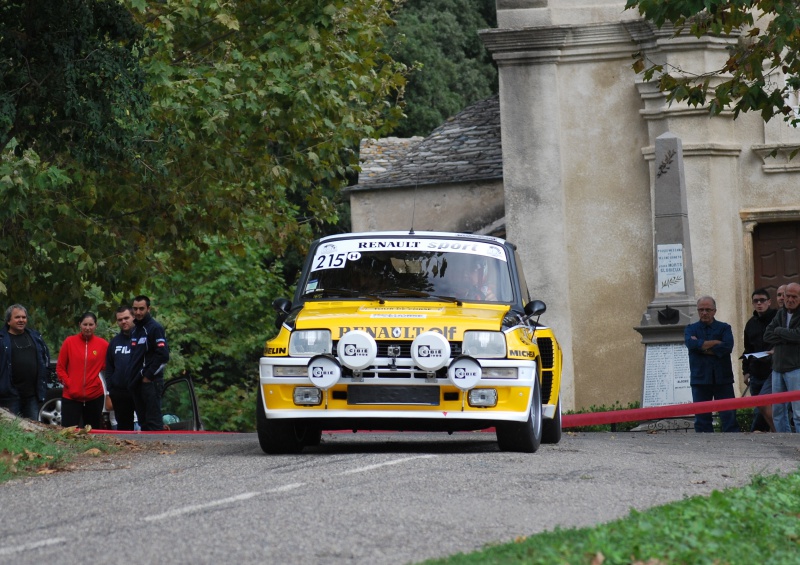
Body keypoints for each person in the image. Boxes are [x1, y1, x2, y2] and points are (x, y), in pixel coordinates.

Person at [684, 296, 739, 433]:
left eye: (707, 309)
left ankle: (734, 447)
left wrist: (702, 347)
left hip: (723, 378)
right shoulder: (691, 329)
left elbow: (727, 347)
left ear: (714, 311)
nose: (704, 313)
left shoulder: (724, 328)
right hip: (700, 378)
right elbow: (691, 344)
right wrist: (716, 343)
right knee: (702, 420)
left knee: (729, 417)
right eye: (701, 310)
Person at [55, 312, 109, 429]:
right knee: (69, 431)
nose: (88, 328)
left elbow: (109, 366)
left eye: (91, 324)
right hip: (71, 396)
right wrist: (69, 383)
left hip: (94, 396)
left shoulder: (103, 345)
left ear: (96, 325)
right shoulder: (69, 342)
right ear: (80, 325)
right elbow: (60, 368)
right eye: (85, 324)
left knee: (93, 431)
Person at [0, 304, 51, 419]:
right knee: (12, 430)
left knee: (32, 430)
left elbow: (45, 358)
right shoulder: (2, 340)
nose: (21, 320)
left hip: (31, 395)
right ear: (8, 321)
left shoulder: (35, 336)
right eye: (17, 317)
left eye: (24, 317)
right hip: (9, 395)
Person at [763, 282, 800, 433]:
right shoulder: (780, 313)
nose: (790, 299)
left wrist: (778, 331)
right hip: (777, 368)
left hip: (795, 368)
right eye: (787, 296)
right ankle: (785, 440)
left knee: (798, 412)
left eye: (794, 296)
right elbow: (767, 335)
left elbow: (798, 335)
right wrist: (786, 335)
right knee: (778, 410)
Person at [129, 295, 170, 431]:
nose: (138, 312)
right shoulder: (135, 329)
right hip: (136, 383)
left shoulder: (155, 328)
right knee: (143, 422)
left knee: (153, 422)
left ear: (148, 309)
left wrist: (148, 376)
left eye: (141, 309)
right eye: (135, 309)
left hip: (151, 382)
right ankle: (146, 451)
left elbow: (163, 355)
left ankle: (159, 452)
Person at [741, 288, 777, 432]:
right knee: (759, 406)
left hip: (773, 369)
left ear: (769, 302)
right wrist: (746, 371)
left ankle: (759, 432)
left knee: (768, 406)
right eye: (756, 301)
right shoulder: (750, 324)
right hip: (756, 372)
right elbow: (747, 349)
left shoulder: (777, 318)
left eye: (762, 300)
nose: (759, 303)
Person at [105, 306, 137, 430]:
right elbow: (109, 367)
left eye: (126, 318)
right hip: (119, 393)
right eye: (120, 320)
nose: (123, 322)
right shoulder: (114, 342)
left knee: (146, 426)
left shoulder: (142, 338)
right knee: (124, 430)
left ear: (133, 317)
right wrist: (111, 388)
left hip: (139, 390)